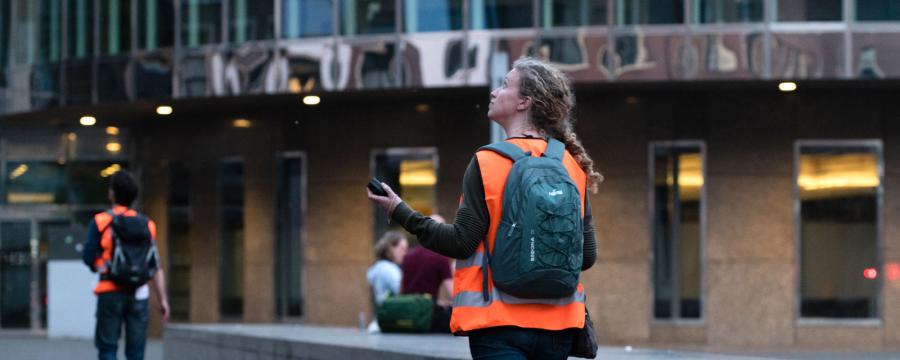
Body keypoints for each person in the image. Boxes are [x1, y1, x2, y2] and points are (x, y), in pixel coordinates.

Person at [368, 57, 599, 360]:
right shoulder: (571, 166)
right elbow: (587, 256)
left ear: (524, 102)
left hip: (499, 326)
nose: (494, 92)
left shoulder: (488, 162)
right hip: (561, 327)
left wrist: (401, 212)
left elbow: (460, 242)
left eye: (505, 85)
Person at [82, 170, 169, 360]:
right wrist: (162, 299)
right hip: (139, 293)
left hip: (109, 291)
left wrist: (101, 266)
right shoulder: (147, 224)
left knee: (107, 349)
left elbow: (88, 258)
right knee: (136, 353)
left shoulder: (101, 221)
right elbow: (154, 265)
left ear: (111, 193)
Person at [400, 214, 453, 333]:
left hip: (406, 314)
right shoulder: (441, 258)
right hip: (427, 317)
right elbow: (452, 294)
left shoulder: (408, 256)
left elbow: (403, 288)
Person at [367, 230, 409, 306]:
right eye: (403, 249)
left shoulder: (378, 266)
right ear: (391, 248)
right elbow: (403, 293)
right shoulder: (389, 269)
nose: (405, 253)